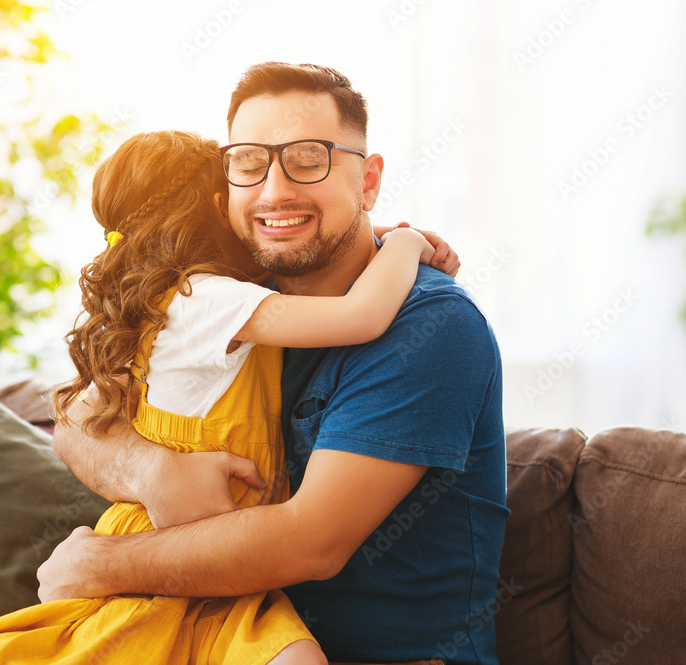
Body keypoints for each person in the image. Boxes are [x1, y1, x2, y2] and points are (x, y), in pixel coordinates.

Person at [39, 62, 507, 665]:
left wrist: (100, 566)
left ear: (368, 183)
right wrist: (153, 473)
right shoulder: (231, 299)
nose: (275, 190)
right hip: (211, 635)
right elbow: (77, 419)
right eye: (249, 163)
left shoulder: (431, 327)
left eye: (309, 159)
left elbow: (311, 544)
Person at [0, 129, 442, 664]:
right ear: (218, 207)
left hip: (224, 557)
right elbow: (359, 317)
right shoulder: (207, 301)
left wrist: (367, 239)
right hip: (173, 543)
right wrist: (405, 243)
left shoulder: (170, 299)